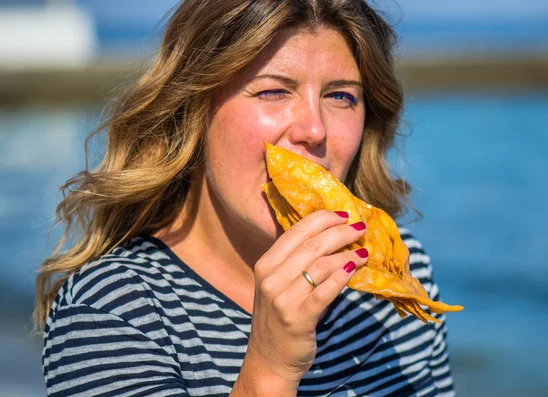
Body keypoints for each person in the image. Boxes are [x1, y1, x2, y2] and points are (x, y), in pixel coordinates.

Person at [35, 0, 457, 396]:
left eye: (340, 96)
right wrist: (270, 368)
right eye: (273, 91)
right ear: (194, 112)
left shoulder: (401, 275)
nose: (314, 129)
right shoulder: (112, 312)